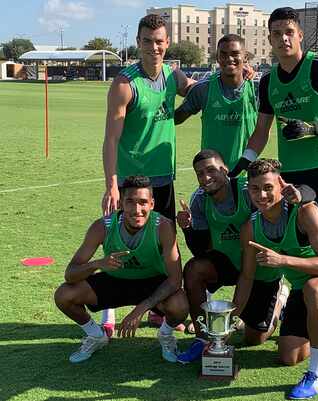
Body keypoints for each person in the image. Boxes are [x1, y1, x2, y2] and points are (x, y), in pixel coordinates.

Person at [230, 7, 318, 367]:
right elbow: (261, 130)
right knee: (297, 243)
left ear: (300, 34)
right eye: (276, 33)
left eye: (289, 31)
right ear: (269, 39)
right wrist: (243, 160)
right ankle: (297, 307)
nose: (283, 38)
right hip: (294, 177)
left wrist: (315, 128)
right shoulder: (268, 80)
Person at [175, 149, 315, 364]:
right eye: (200, 173)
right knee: (194, 268)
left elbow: (299, 193)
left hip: (260, 268)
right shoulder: (199, 200)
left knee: (254, 338)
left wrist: (301, 194)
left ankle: (280, 300)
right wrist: (188, 228)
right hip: (228, 263)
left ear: (225, 170)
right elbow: (201, 250)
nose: (205, 178)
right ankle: (203, 338)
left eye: (211, 170)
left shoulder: (248, 190)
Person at [101, 14, 194, 332]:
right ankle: (108, 314)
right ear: (137, 43)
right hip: (131, 182)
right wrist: (111, 183)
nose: (153, 47)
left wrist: (240, 74)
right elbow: (111, 137)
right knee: (119, 243)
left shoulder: (173, 75)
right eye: (146, 41)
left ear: (167, 43)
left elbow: (197, 90)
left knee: (163, 246)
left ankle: (159, 310)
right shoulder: (125, 83)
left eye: (159, 41)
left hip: (163, 179)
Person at [243, 159, 318, 399]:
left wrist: (282, 261)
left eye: (267, 187)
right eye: (255, 188)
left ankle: (317, 375)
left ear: (281, 185)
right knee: (288, 356)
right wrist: (232, 316)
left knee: (314, 288)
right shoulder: (251, 226)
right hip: (300, 285)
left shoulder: (305, 211)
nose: (261, 194)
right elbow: (247, 275)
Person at [54, 176, 188, 364]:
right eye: (130, 202)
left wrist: (140, 310)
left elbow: (175, 279)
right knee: (64, 295)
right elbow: (70, 274)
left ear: (152, 204)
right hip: (114, 282)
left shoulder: (163, 226)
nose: (136, 210)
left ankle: (166, 336)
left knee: (180, 304)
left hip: (151, 282)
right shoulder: (102, 226)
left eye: (142, 202)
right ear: (121, 203)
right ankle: (96, 335)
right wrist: (98, 264)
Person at [174, 34, 258, 171]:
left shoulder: (257, 88)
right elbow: (175, 118)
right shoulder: (203, 89)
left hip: (249, 173)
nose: (229, 59)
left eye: (235, 54)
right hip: (214, 175)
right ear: (217, 58)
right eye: (223, 54)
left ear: (246, 57)